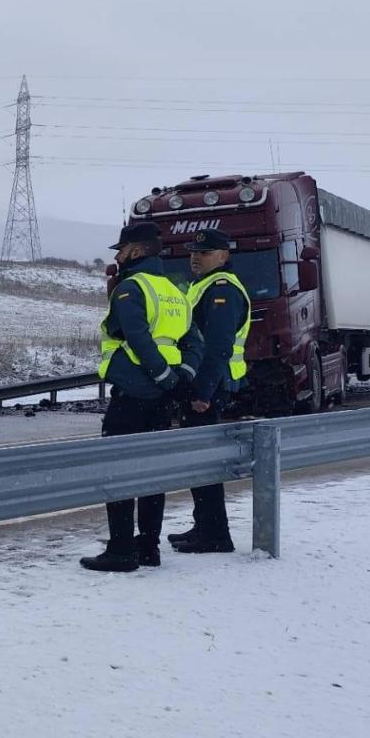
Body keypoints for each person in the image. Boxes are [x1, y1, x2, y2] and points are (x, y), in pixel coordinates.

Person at [81, 221, 194, 573]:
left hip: (132, 393)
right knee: (151, 472)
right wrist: (178, 381)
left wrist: (159, 375)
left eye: (123, 249)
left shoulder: (132, 287)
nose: (119, 254)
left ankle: (120, 550)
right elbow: (195, 343)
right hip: (161, 397)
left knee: (118, 469)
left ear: (139, 250)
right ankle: (148, 547)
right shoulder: (174, 290)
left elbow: (135, 335)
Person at [168, 229, 251, 554]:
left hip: (212, 386)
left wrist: (202, 393)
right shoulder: (202, 287)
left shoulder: (222, 290)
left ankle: (215, 534)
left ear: (223, 256)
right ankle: (205, 525)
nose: (195, 257)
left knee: (204, 461)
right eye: (193, 251)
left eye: (204, 252)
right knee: (199, 460)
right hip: (207, 384)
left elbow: (217, 347)